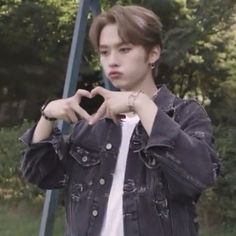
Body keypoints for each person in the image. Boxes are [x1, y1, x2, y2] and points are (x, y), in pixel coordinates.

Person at [20, 4, 219, 236]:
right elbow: (38, 173)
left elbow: (200, 176)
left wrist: (141, 104)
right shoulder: (92, 124)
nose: (112, 61)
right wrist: (47, 115)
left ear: (153, 53)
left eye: (124, 49)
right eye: (104, 52)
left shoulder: (186, 115)